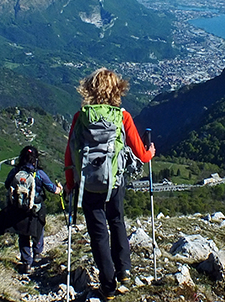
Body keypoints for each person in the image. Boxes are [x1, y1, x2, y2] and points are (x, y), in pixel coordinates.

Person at [64, 68, 155, 300]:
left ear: (90, 88)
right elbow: (141, 154)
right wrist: (150, 152)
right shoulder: (122, 116)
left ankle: (108, 286)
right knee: (116, 221)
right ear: (117, 89)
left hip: (87, 184)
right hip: (114, 181)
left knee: (97, 233)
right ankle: (123, 271)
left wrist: (70, 182)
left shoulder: (80, 116)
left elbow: (69, 152)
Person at [4, 146, 62, 274]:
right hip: (36, 208)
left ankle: (26, 262)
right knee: (38, 229)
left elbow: (7, 184)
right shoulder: (39, 173)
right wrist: (60, 188)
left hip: (19, 209)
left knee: (23, 234)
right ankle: (37, 254)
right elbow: (53, 189)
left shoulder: (15, 171)